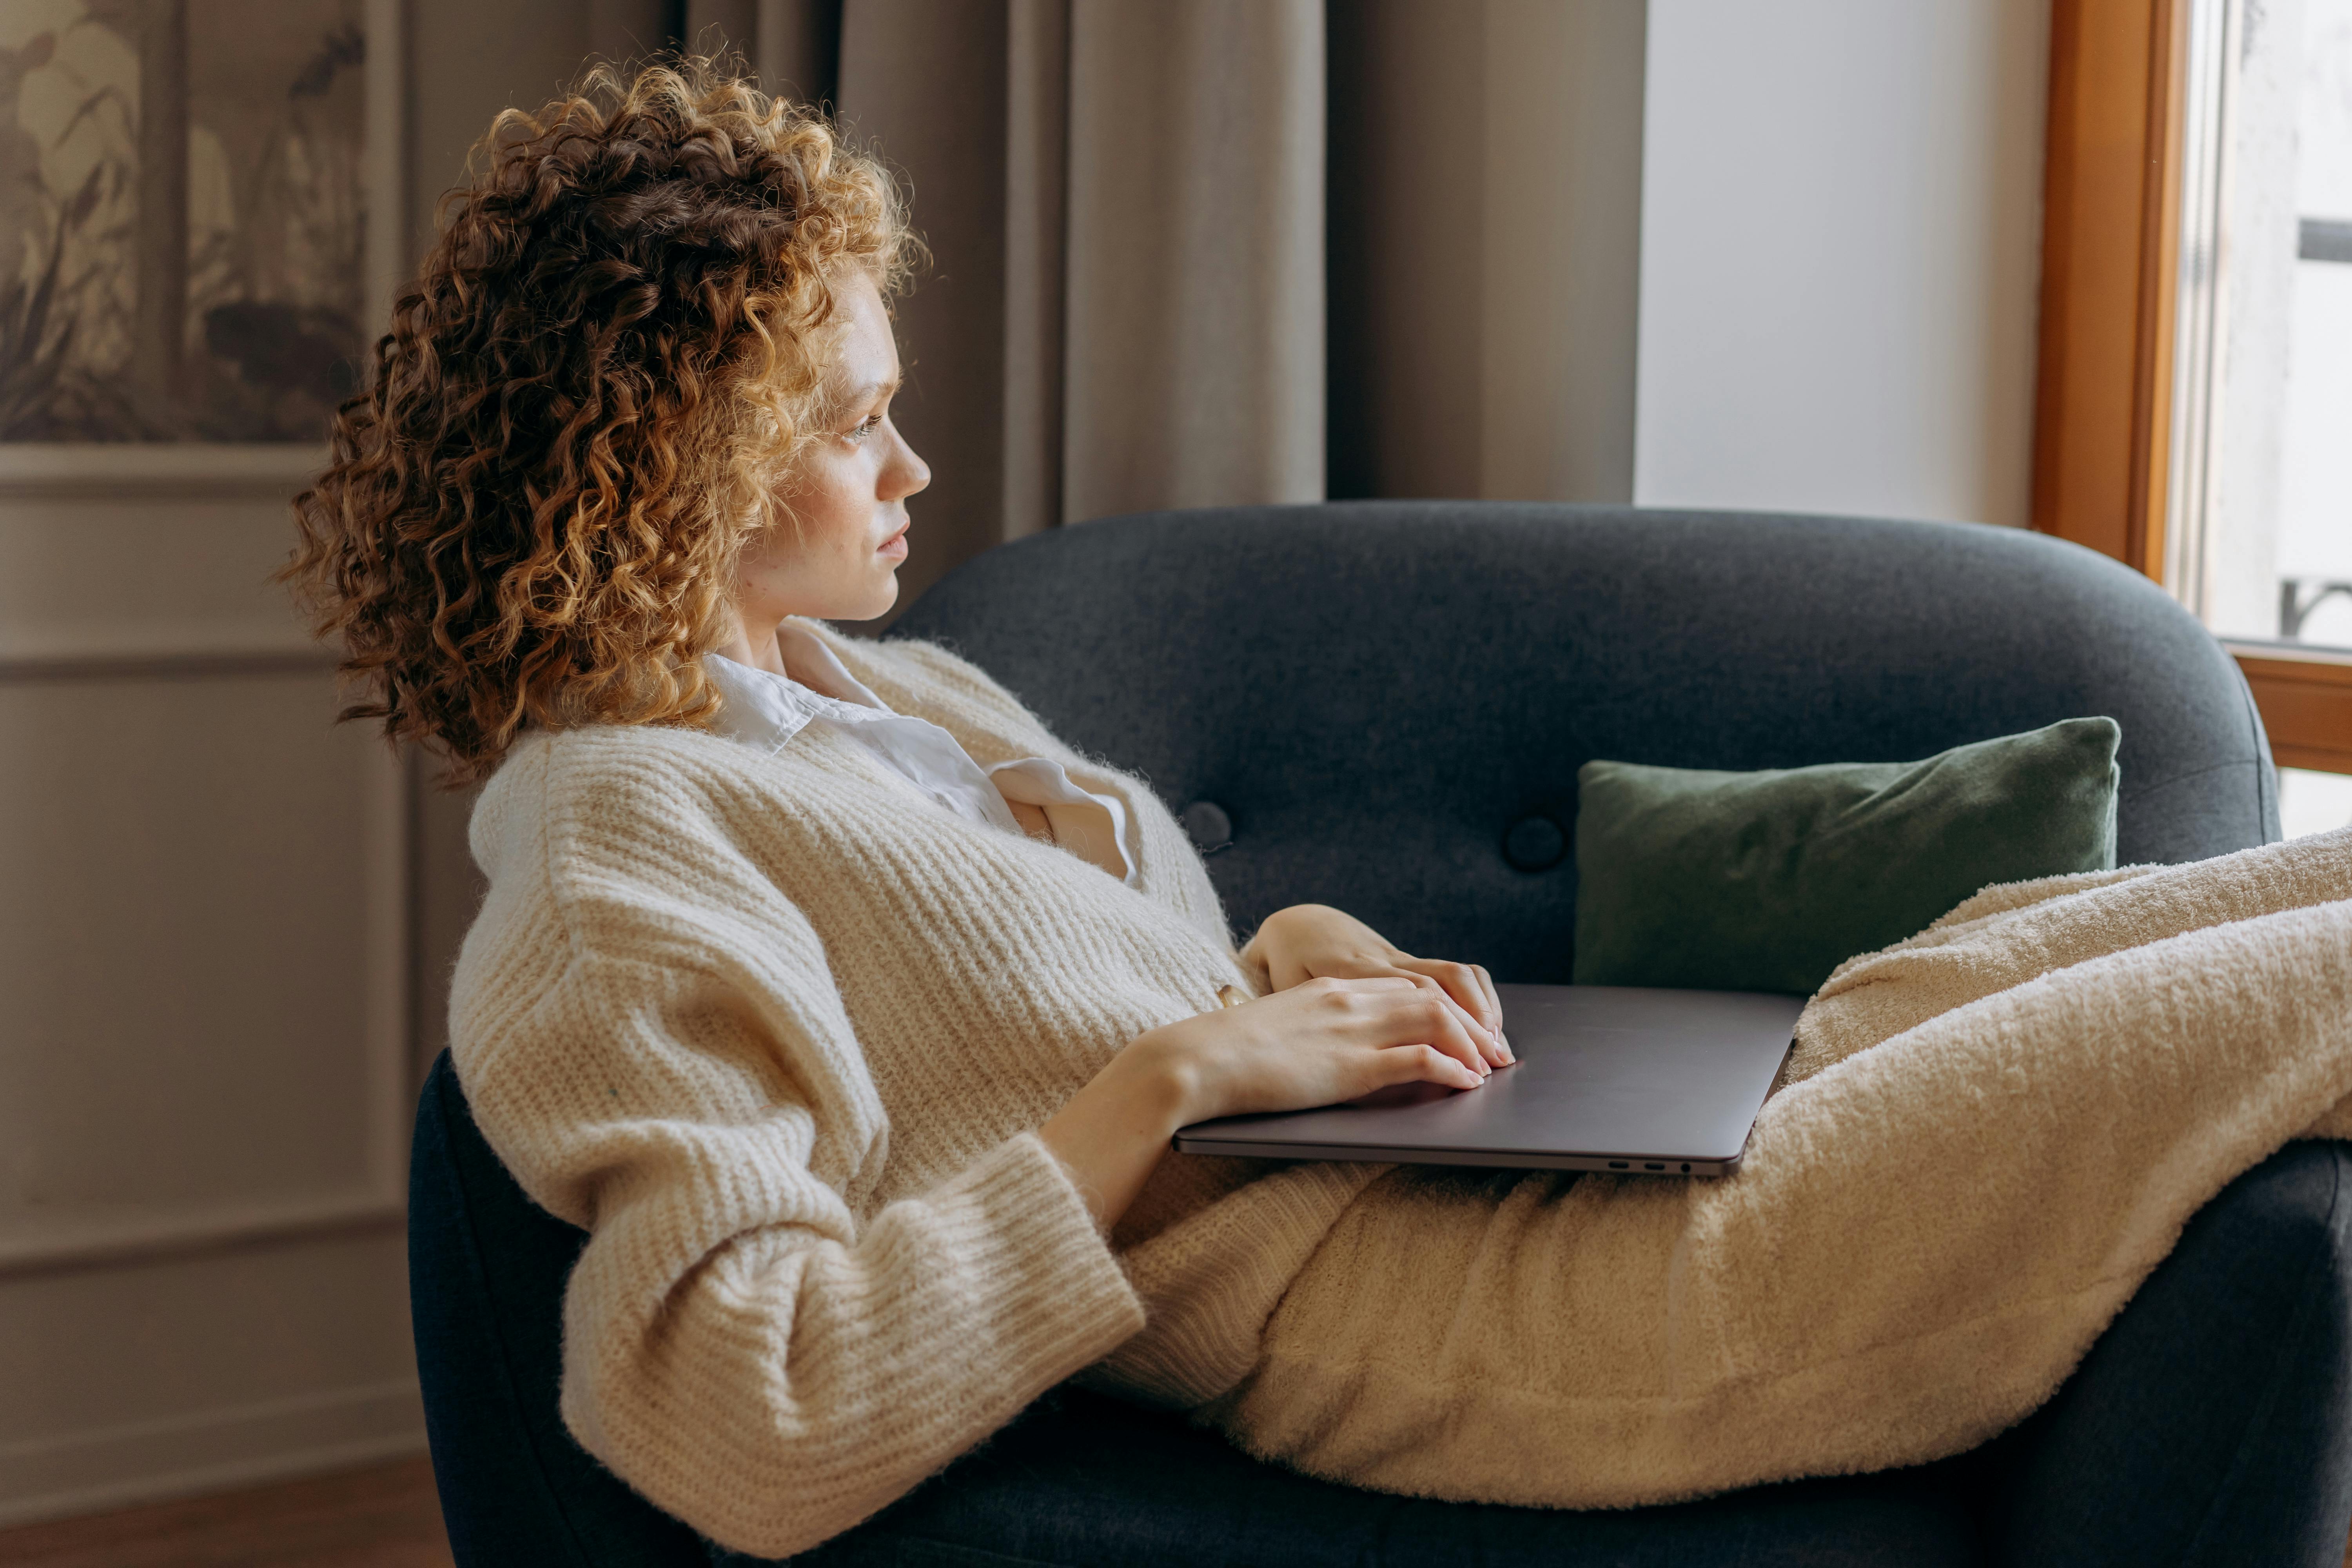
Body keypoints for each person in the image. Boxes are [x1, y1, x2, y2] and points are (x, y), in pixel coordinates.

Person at [289, 59, 2352, 1566]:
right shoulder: (616, 858)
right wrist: (1173, 1085)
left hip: (1469, 1181)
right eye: (852, 424)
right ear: (680, 464)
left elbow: (1137, 1000)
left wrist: (1313, 979)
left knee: (2059, 938)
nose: (912, 466)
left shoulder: (881, 697)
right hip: (1492, 1328)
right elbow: (739, 1409)